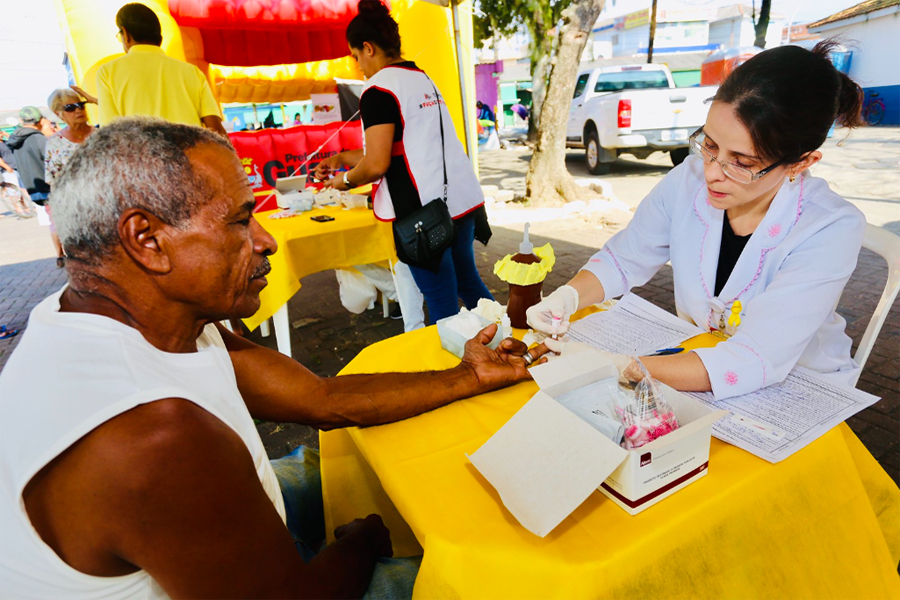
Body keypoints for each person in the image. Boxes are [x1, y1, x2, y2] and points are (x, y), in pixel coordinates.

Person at [0, 117, 548, 598]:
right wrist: (363, 544)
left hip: (205, 525)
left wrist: (467, 376)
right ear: (147, 239)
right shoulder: (151, 438)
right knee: (497, 580)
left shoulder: (121, 315)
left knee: (349, 466)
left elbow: (321, 398)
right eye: (240, 220)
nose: (266, 241)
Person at [528, 41, 866, 400]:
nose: (712, 172)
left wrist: (619, 366)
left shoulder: (830, 227)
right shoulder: (686, 180)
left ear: (801, 163)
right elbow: (624, 259)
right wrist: (567, 297)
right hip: (697, 365)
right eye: (709, 145)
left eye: (743, 162)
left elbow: (756, 357)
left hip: (798, 389)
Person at [314, 0, 494, 323]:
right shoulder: (422, 78)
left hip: (424, 216)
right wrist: (341, 158)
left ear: (368, 48)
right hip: (459, 205)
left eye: (355, 56)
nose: (357, 66)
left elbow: (376, 164)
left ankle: (455, 371)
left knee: (442, 306)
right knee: (469, 285)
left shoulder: (377, 89)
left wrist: (341, 181)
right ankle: (507, 344)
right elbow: (403, 148)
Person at [96, 3, 227, 136]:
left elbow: (110, 135)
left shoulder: (107, 72)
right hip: (189, 155)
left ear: (125, 33)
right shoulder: (192, 72)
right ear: (160, 38)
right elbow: (216, 130)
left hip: (142, 156)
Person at [43, 88, 97, 267]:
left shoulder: (101, 135)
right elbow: (55, 183)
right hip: (77, 211)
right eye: (70, 108)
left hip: (107, 207)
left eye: (80, 105)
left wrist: (96, 101)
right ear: (59, 114)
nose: (78, 111)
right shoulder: (55, 143)